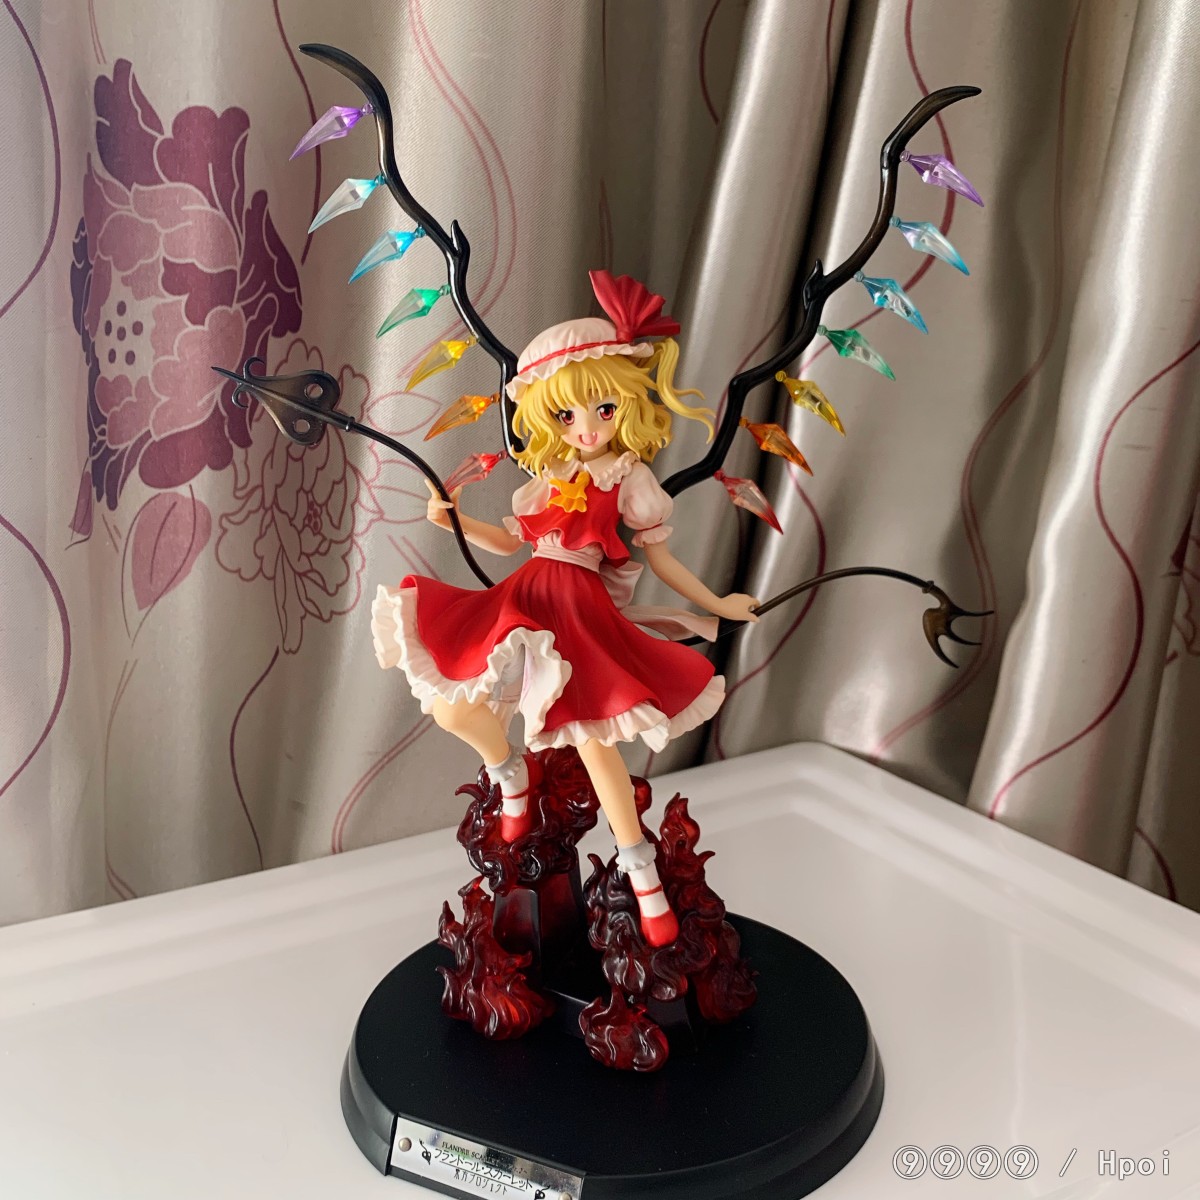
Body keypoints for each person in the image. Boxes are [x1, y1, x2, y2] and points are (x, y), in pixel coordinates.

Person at [371, 271, 758, 946]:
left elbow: (662, 561)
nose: (585, 428)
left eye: (603, 410)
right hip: (525, 597)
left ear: (627, 406)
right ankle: (510, 775)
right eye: (566, 416)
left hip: (578, 610)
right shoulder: (546, 479)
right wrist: (452, 519)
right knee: (451, 703)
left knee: (595, 743)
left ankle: (642, 875)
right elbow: (509, 542)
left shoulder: (629, 479)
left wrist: (716, 600)